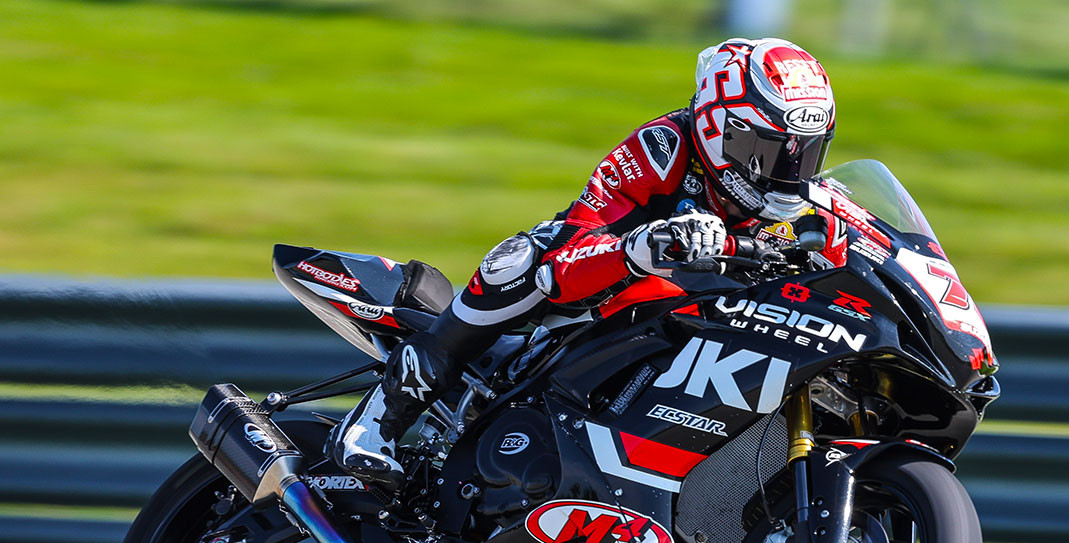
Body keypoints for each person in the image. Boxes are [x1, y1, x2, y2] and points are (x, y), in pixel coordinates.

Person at [330, 37, 847, 487]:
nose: (791, 172)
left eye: (806, 153)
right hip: (609, 295)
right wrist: (644, 247)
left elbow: (890, 247)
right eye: (774, 150)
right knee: (524, 260)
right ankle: (379, 421)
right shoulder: (662, 148)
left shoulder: (808, 197)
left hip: (707, 327)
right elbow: (567, 261)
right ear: (720, 129)